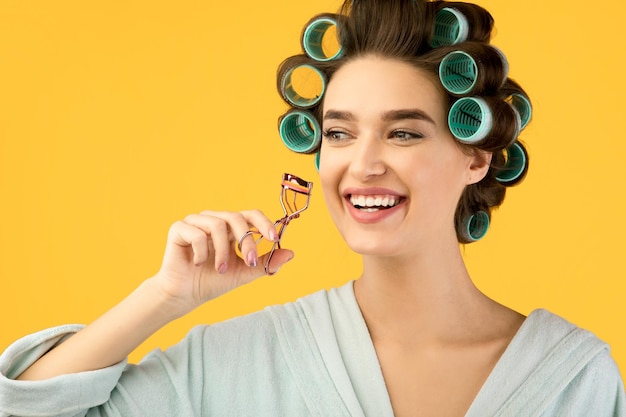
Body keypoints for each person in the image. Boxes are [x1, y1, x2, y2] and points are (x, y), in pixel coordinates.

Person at [1, 0, 624, 416]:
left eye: (404, 133)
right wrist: (165, 296)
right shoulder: (237, 362)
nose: (365, 163)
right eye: (341, 132)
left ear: (476, 159)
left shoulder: (575, 379)